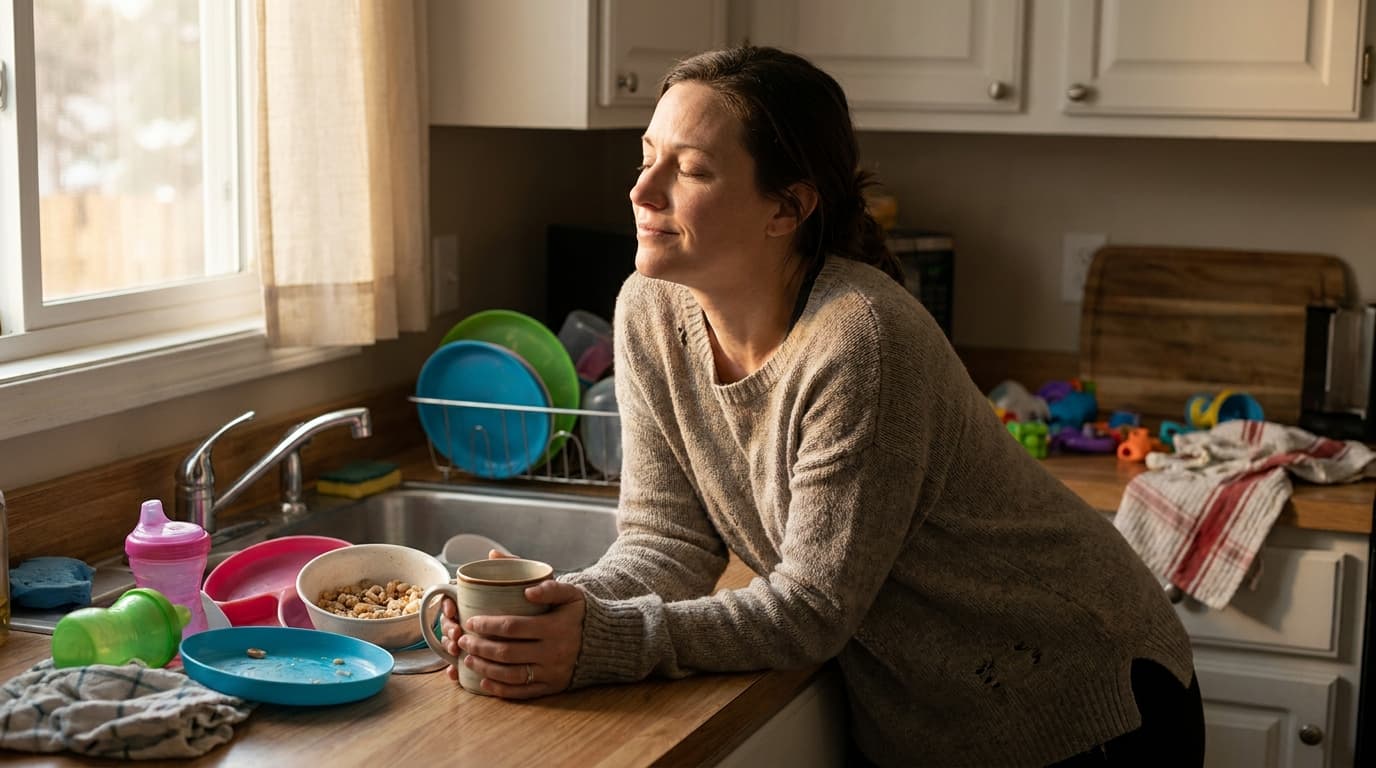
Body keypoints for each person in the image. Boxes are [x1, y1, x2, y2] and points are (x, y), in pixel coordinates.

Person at [441, 45, 1204, 767]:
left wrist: (605, 642)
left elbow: (810, 608)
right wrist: (546, 608)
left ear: (787, 209)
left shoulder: (860, 338)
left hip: (1080, 701)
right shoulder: (648, 308)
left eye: (691, 170)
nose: (642, 192)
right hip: (929, 719)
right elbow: (666, 541)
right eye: (647, 158)